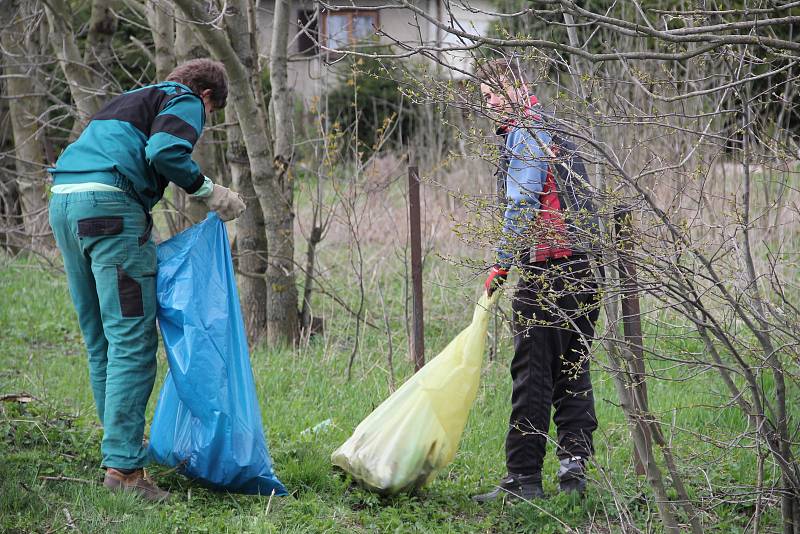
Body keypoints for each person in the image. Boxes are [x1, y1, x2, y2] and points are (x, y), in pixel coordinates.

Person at [48, 58, 246, 502]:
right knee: (133, 342)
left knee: (101, 338)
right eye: (209, 117)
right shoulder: (186, 98)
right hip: (110, 210)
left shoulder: (129, 100)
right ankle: (125, 472)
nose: (202, 121)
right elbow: (164, 152)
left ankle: (120, 449)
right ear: (208, 96)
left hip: (63, 205)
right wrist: (210, 191)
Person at [471, 58, 601, 502]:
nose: (490, 104)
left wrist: (502, 264)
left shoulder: (526, 133)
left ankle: (523, 481)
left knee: (533, 374)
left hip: (549, 269)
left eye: (496, 93)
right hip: (587, 268)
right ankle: (574, 472)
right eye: (485, 96)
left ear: (519, 86)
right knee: (573, 367)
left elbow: (523, 203)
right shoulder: (556, 127)